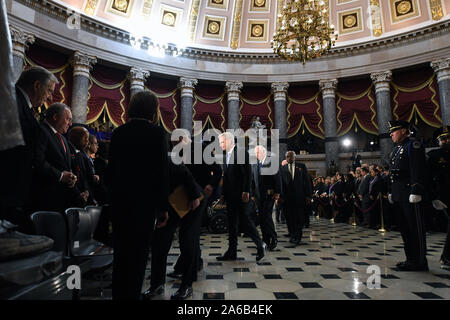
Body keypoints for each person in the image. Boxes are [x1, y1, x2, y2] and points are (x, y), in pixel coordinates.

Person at [105, 91, 169, 299]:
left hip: (120, 204)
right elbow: (161, 173)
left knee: (121, 257)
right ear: (153, 110)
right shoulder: (158, 134)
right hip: (145, 205)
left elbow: (111, 172)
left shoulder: (119, 132)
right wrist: (163, 208)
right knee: (139, 257)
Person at [146, 137, 206, 300]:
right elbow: (157, 190)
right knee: (160, 242)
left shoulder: (166, 158)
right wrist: (162, 211)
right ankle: (156, 285)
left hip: (192, 199)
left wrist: (194, 196)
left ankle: (186, 286)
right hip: (171, 202)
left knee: (187, 241)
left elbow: (185, 174)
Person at [0, 66, 57, 232]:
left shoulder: (19, 102)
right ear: (37, 86)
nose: (49, 97)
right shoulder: (12, 102)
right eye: (49, 91)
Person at [216, 132, 266, 262]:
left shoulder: (241, 152)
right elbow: (226, 177)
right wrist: (223, 194)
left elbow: (247, 173)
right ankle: (231, 252)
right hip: (230, 196)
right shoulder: (225, 155)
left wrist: (246, 191)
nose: (220, 144)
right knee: (232, 225)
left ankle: (260, 245)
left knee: (246, 222)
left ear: (229, 141)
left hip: (241, 195)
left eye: (222, 142)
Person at [388, 120, 428, 271]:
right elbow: (393, 172)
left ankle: (420, 261)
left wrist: (416, 190)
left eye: (394, 130)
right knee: (405, 229)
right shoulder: (397, 149)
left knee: (415, 229)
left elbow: (417, 168)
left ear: (404, 131)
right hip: (399, 194)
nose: (391, 133)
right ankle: (410, 259)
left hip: (410, 193)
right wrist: (391, 191)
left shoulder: (413, 145)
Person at [34, 103, 80, 212]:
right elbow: (38, 161)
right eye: (68, 119)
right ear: (55, 117)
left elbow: (64, 165)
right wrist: (60, 176)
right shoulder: (41, 131)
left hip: (62, 198)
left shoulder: (63, 138)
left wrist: (71, 177)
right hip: (44, 198)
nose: (70, 123)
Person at [427, 126, 450, 267]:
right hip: (444, 196)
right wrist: (434, 197)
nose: (446, 141)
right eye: (443, 139)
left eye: (448, 138)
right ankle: (446, 256)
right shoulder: (434, 156)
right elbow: (429, 178)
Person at [251, 145, 281, 251]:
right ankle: (265, 240)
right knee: (262, 218)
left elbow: (277, 178)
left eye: (258, 152)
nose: (256, 155)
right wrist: (252, 195)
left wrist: (277, 192)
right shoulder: (255, 164)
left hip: (269, 195)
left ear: (264, 152)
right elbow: (253, 181)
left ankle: (274, 238)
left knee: (267, 216)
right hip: (259, 196)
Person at [280, 151, 312, 245]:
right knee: (289, 218)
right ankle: (293, 235)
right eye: (287, 156)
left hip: (300, 197)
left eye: (290, 156)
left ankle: (297, 237)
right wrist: (280, 196)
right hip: (287, 198)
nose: (289, 158)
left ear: (294, 157)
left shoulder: (301, 167)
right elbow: (280, 183)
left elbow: (307, 182)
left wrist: (308, 196)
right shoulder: (283, 168)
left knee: (299, 218)